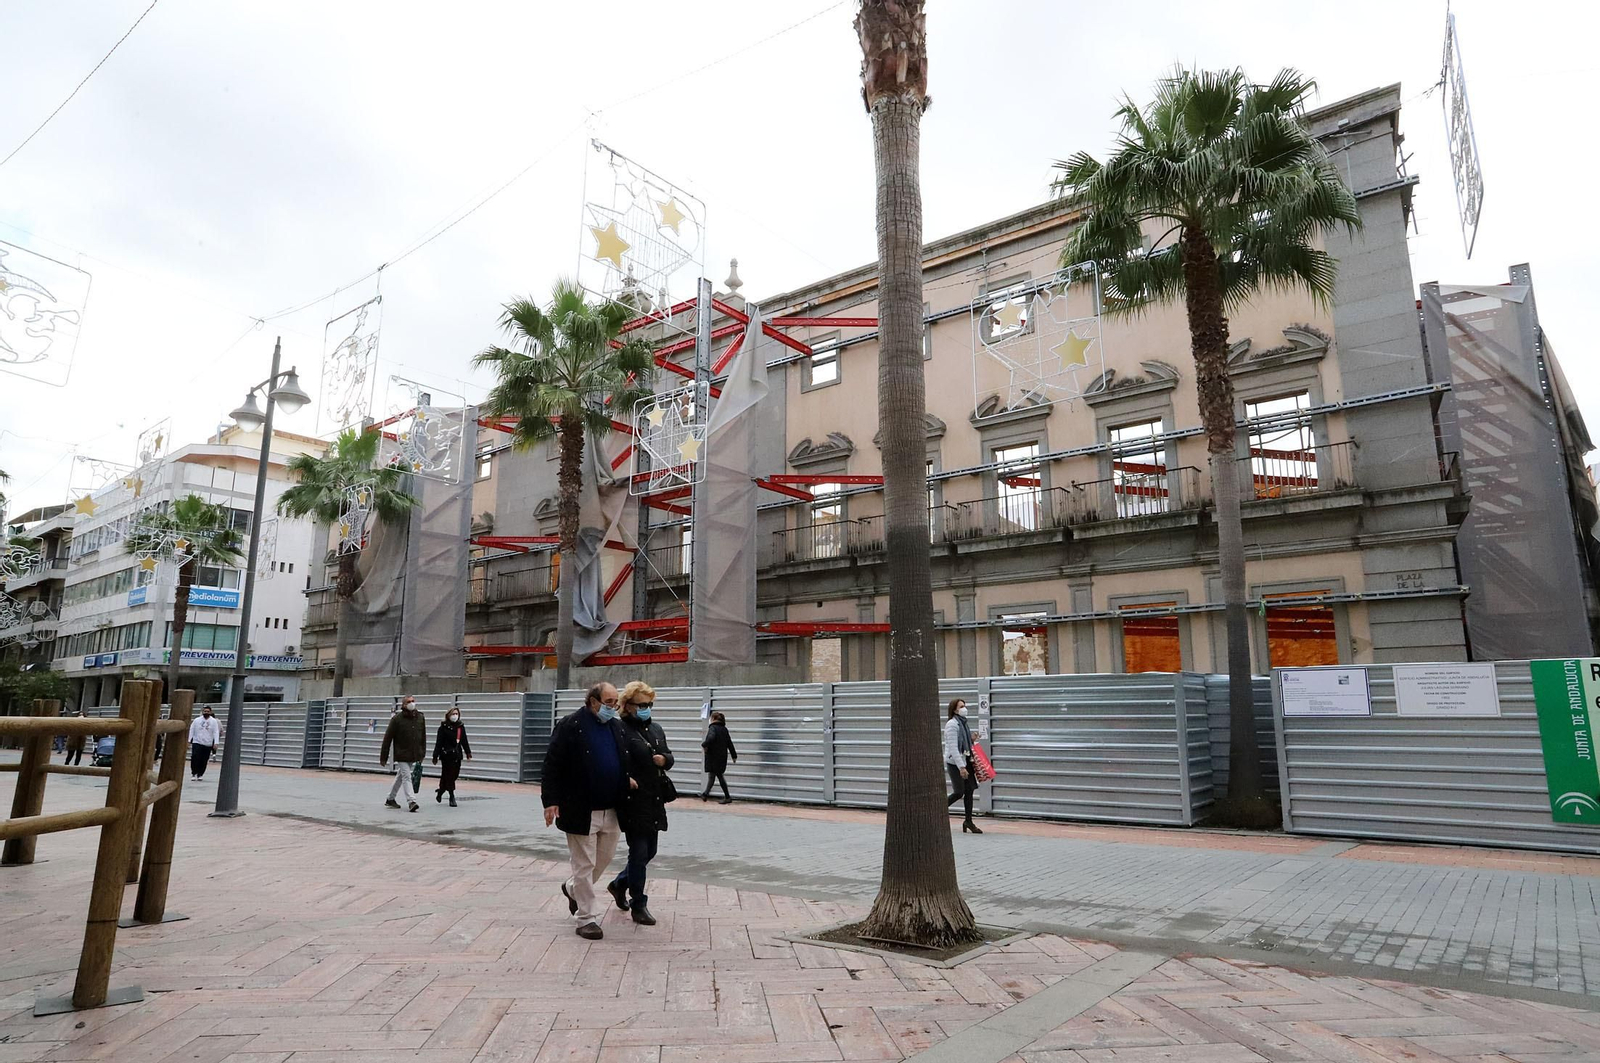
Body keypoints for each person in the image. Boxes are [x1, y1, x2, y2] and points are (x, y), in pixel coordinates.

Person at [542, 681, 628, 940]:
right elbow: (552, 764)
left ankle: (572, 889)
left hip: (612, 807)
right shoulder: (571, 725)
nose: (613, 706)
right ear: (593, 701)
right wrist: (550, 800)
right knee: (584, 863)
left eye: (616, 701)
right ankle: (586, 918)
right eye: (609, 701)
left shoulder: (616, 726)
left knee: (604, 857)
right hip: (580, 807)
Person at [605, 681, 673, 926]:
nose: (647, 708)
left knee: (650, 851)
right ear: (627, 705)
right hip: (633, 799)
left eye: (650, 704)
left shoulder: (655, 728)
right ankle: (639, 904)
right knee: (639, 851)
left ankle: (619, 883)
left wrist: (664, 759)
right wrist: (626, 779)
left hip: (654, 797)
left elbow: (669, 755)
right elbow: (612, 761)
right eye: (642, 704)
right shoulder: (619, 729)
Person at [379, 696, 426, 812]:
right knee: (406, 776)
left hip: (414, 753)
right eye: (408, 702)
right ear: (403, 705)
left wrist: (422, 753)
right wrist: (383, 757)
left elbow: (423, 737)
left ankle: (390, 798)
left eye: (413, 701)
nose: (411, 703)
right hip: (401, 753)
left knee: (401, 776)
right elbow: (387, 738)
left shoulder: (420, 717)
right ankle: (411, 801)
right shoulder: (397, 719)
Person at [944, 698, 982, 834]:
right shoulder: (952, 725)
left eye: (964, 706)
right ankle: (938, 811)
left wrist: (971, 740)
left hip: (966, 761)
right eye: (961, 706)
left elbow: (963, 744)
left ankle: (968, 821)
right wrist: (961, 767)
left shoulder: (963, 724)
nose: (964, 708)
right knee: (959, 792)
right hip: (955, 763)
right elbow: (953, 749)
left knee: (970, 790)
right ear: (954, 709)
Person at [432, 704, 473, 806]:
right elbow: (439, 743)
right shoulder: (443, 728)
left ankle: (441, 791)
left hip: (457, 755)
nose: (455, 716)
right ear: (448, 715)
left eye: (457, 714)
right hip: (446, 755)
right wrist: (435, 756)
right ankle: (451, 796)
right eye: (453, 714)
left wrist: (468, 752)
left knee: (454, 775)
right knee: (449, 775)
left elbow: (464, 741)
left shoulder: (460, 727)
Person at [700, 711, 737, 803]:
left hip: (714, 757)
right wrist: (734, 755)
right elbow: (729, 743)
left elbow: (711, 738)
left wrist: (704, 744)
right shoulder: (724, 729)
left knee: (719, 776)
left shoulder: (713, 728)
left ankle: (727, 797)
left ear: (713, 719)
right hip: (721, 757)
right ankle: (705, 794)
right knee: (712, 776)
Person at [189, 705, 220, 781]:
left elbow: (216, 732)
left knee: (204, 759)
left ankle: (200, 774)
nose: (206, 713)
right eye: (205, 711)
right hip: (197, 742)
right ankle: (194, 772)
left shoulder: (213, 721)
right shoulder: (197, 720)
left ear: (210, 712)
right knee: (195, 757)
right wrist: (189, 740)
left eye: (208, 711)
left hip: (207, 743)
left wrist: (216, 742)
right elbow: (192, 730)